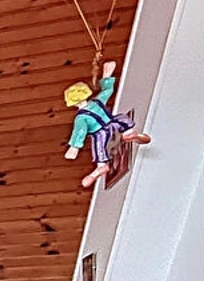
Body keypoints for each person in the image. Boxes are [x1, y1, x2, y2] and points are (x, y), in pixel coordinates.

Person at [63, 58, 152, 189]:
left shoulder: (81, 118)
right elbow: (107, 91)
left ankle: (101, 166)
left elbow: (80, 131)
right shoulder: (97, 101)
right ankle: (130, 133)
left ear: (73, 103)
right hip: (113, 123)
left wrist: (74, 147)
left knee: (98, 147)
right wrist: (106, 76)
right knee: (122, 119)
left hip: (100, 133)